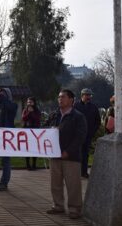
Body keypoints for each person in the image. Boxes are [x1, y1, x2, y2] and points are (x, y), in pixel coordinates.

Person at [45, 89, 87, 219]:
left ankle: (75, 209)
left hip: (71, 157)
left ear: (71, 100)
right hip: (55, 155)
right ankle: (58, 206)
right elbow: (44, 129)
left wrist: (68, 151)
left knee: (73, 184)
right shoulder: (54, 115)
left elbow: (80, 137)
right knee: (55, 183)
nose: (60, 99)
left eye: (63, 97)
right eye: (59, 97)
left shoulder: (78, 116)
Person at [74, 88, 100, 178]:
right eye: (87, 95)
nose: (89, 97)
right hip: (77, 135)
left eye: (90, 95)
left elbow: (98, 121)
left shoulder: (93, 107)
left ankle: (84, 172)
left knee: (85, 154)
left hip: (88, 135)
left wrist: (92, 132)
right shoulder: (75, 106)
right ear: (82, 95)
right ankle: (76, 172)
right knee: (77, 154)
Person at [22, 97, 41, 170]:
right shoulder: (25, 110)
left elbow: (37, 119)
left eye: (31, 102)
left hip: (35, 131)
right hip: (27, 131)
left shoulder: (37, 111)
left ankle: (34, 164)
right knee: (27, 148)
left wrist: (32, 112)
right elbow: (24, 118)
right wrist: (29, 112)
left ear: (34, 103)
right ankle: (28, 165)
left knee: (34, 148)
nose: (29, 104)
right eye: (28, 102)